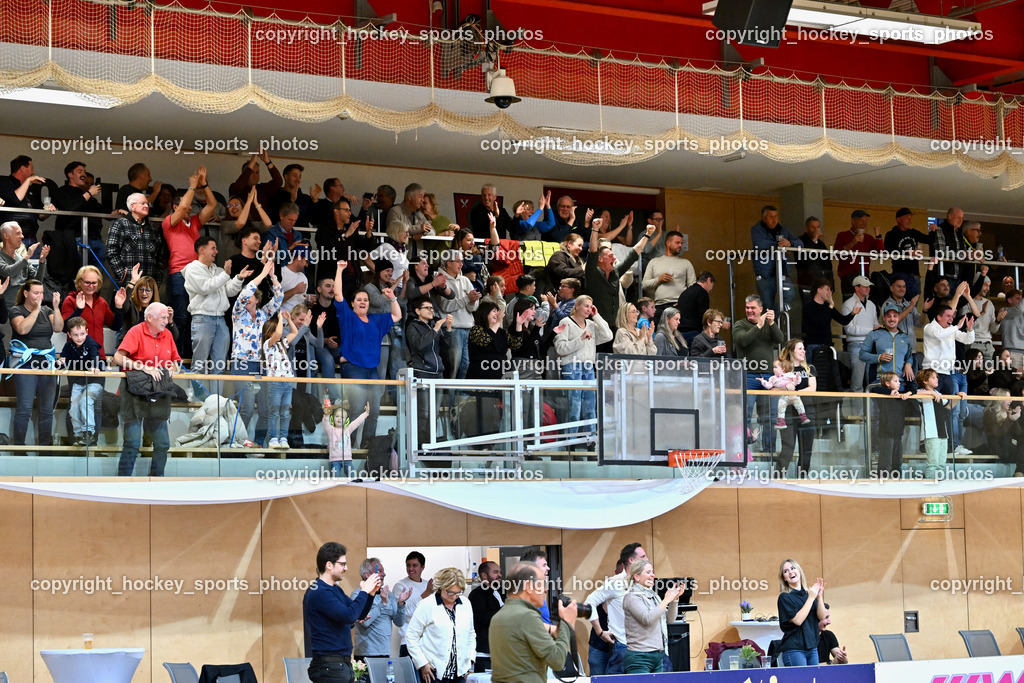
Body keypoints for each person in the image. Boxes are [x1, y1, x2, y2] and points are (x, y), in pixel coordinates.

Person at [334, 260, 402, 447]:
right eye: (359, 300)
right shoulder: (348, 317)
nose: (363, 302)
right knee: (356, 410)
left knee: (374, 411)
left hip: (372, 371)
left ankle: (367, 446)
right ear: (353, 304)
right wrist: (339, 270)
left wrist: (392, 297)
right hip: (353, 369)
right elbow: (338, 294)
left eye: (365, 300)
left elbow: (397, 316)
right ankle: (348, 446)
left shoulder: (376, 320)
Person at [114, 302, 181, 476]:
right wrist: (143, 367)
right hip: (133, 393)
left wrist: (174, 369)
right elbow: (118, 358)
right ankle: (122, 483)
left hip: (159, 393)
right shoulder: (136, 331)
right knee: (132, 444)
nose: (167, 321)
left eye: (167, 317)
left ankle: (156, 480)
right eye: (163, 317)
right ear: (150, 318)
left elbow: (175, 361)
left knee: (163, 444)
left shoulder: (167, 335)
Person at [303, 542, 381, 683]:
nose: (346, 568)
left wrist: (371, 594)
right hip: (329, 667)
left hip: (340, 665)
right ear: (329, 565)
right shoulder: (319, 591)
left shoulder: (335, 590)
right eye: (342, 564)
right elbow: (349, 616)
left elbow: (359, 614)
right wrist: (363, 591)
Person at [489, 562, 577, 683]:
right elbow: (557, 661)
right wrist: (567, 624)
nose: (545, 590)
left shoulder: (498, 617)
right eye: (542, 584)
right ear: (529, 587)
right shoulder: (527, 616)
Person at [230, 259, 282, 448]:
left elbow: (278, 299)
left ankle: (259, 443)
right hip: (241, 364)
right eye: (247, 296)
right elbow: (243, 294)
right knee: (246, 409)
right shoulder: (238, 314)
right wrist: (261, 275)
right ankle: (239, 443)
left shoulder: (262, 314)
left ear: (257, 300)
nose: (247, 298)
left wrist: (273, 277)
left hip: (260, 365)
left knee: (266, 409)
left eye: (252, 296)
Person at [10, 280, 63, 448]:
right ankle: (19, 447)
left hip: (46, 363)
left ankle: (45, 448)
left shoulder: (47, 310)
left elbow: (58, 328)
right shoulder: (16, 310)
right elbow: (22, 329)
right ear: (26, 293)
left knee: (47, 410)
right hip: (25, 364)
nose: (40, 296)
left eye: (41, 293)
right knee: (25, 408)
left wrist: (55, 307)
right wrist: (35, 310)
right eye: (36, 293)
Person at [553, 295, 612, 436]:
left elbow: (608, 335)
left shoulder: (591, 324)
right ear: (577, 306)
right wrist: (580, 339)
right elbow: (560, 348)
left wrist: (596, 316)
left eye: (591, 306)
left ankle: (590, 440)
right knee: (574, 406)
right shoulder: (565, 322)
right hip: (571, 367)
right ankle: (570, 441)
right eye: (586, 306)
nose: (589, 309)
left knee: (590, 407)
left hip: (588, 367)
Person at [406, 567, 477, 683]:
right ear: (440, 587)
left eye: (458, 593)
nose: (454, 596)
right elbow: (411, 636)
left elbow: (471, 634)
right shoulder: (426, 605)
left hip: (460, 671)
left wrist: (470, 660)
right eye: (450, 592)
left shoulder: (465, 604)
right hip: (434, 672)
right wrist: (423, 663)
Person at [622, 559, 684, 674]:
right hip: (640, 657)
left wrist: (674, 600)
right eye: (648, 572)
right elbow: (647, 618)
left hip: (658, 654)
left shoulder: (653, 596)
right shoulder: (631, 597)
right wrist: (666, 600)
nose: (653, 575)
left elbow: (669, 619)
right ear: (637, 577)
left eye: (653, 572)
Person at [353, 559, 413, 661]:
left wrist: (401, 604)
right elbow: (364, 622)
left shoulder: (388, 594)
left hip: (385, 653)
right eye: (379, 571)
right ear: (367, 575)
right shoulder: (358, 595)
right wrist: (382, 603)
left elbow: (399, 622)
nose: (384, 574)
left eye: (383, 571)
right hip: (366, 654)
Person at [58, 316, 104, 446]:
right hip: (78, 382)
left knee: (85, 401)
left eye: (82, 334)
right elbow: (63, 359)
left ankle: (88, 432)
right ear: (69, 335)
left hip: (94, 381)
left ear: (87, 332)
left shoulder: (91, 343)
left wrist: (95, 366)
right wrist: (60, 362)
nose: (79, 337)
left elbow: (95, 356)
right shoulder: (68, 346)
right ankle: (78, 435)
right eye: (75, 335)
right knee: (73, 407)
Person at [774, 340, 817, 478]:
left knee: (806, 450)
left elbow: (813, 388)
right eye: (800, 348)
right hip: (788, 412)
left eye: (804, 348)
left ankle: (802, 479)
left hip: (807, 411)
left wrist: (796, 392)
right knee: (788, 447)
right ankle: (778, 478)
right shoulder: (783, 368)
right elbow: (774, 387)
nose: (803, 351)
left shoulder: (809, 368)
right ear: (792, 351)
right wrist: (786, 388)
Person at [776, 558, 828, 667]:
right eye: (786, 571)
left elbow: (822, 616)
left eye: (793, 568)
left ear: (799, 571)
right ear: (784, 578)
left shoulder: (809, 594)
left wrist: (819, 597)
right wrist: (811, 598)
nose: (790, 572)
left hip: (812, 648)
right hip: (794, 649)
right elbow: (797, 620)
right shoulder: (785, 597)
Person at [261, 310, 300, 449]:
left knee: (285, 412)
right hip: (275, 382)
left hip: (287, 382)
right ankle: (273, 439)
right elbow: (278, 333)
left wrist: (289, 320)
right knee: (275, 411)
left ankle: (283, 437)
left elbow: (294, 333)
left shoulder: (282, 343)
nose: (281, 331)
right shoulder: (268, 344)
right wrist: (279, 318)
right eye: (277, 327)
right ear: (269, 332)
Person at [750, 205, 799, 313]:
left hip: (782, 273)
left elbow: (800, 243)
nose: (774, 219)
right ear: (764, 218)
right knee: (767, 305)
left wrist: (790, 243)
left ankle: (776, 321)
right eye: (770, 216)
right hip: (764, 275)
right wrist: (781, 245)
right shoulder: (757, 230)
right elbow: (760, 244)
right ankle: (771, 326)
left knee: (790, 295)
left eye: (776, 216)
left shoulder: (783, 229)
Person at [869, 371, 914, 478]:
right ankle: (883, 481)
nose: (899, 383)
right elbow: (873, 389)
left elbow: (913, 388)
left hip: (898, 432)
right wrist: (889, 392)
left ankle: (896, 481)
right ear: (888, 383)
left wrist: (908, 393)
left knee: (897, 461)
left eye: (899, 381)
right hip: (886, 432)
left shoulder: (901, 395)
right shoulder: (883, 394)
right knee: (886, 460)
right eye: (895, 381)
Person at [394, 551, 432, 658]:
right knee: (410, 675)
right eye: (408, 565)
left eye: (414, 565)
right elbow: (405, 612)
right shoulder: (400, 586)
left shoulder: (427, 584)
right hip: (408, 642)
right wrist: (426, 594)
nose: (411, 569)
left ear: (422, 567)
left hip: (428, 642)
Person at [917, 368, 952, 479]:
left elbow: (948, 405)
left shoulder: (938, 393)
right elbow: (914, 392)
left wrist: (959, 396)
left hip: (942, 432)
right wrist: (930, 392)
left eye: (937, 377)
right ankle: (930, 490)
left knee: (941, 465)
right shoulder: (922, 393)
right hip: (931, 433)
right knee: (933, 464)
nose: (937, 379)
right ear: (925, 381)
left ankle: (939, 487)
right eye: (933, 377)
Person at [469, 561, 504, 672]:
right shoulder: (476, 595)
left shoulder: (504, 592)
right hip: (484, 654)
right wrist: (506, 609)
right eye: (495, 572)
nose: (500, 575)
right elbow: (483, 619)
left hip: (504, 652)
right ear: (484, 575)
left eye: (500, 572)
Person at [322, 399, 369, 477]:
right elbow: (325, 423)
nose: (339, 418)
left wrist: (366, 413)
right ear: (333, 418)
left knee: (352, 478)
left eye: (342, 417)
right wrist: (326, 415)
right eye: (337, 416)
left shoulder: (348, 429)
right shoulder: (331, 430)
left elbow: (357, 421)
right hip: (335, 460)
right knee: (335, 479)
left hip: (347, 459)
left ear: (346, 420)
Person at [983, 389, 1024, 477]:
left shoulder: (1009, 412)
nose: (1011, 401)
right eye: (1008, 398)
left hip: (1010, 445)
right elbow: (997, 433)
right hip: (997, 446)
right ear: (1000, 399)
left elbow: (1018, 434)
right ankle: (1019, 473)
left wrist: (1015, 419)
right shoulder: (989, 413)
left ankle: (1019, 472)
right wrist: (1010, 420)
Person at [760, 359, 810, 429]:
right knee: (780, 409)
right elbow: (769, 386)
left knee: (799, 403)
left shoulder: (789, 375)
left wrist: (797, 378)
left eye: (775, 367)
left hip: (792, 395)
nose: (773, 369)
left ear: (783, 369)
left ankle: (803, 417)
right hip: (783, 397)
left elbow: (797, 382)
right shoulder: (773, 378)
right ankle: (781, 422)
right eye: (773, 367)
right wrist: (763, 381)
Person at [676, 272, 717, 346]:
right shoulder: (702, 293)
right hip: (694, 332)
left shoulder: (685, 293)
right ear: (708, 280)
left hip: (680, 332)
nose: (711, 290)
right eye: (712, 286)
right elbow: (704, 315)